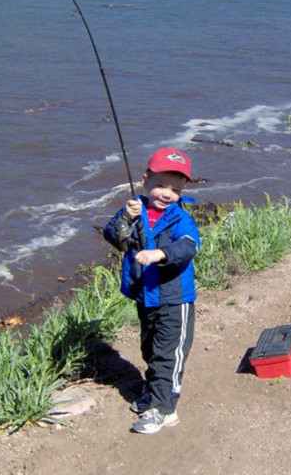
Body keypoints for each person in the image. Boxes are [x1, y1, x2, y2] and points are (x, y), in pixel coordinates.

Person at [103, 147, 200, 434]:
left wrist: (161, 254)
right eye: (160, 185)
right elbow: (113, 236)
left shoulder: (182, 218)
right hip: (146, 296)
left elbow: (188, 246)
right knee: (149, 348)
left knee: (168, 354)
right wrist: (125, 217)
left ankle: (165, 409)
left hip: (174, 299)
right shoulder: (136, 210)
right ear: (146, 180)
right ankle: (155, 393)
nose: (167, 193)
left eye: (175, 188)